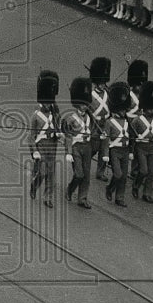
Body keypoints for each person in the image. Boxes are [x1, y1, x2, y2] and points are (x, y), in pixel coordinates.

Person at [29, 70, 62, 208]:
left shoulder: (55, 112)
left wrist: (59, 132)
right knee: (42, 172)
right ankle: (34, 185)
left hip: (52, 145)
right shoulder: (36, 115)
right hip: (41, 145)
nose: (49, 104)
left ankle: (48, 197)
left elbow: (59, 125)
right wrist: (34, 150)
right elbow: (31, 136)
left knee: (51, 173)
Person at [62, 77, 94, 209]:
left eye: (86, 104)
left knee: (86, 175)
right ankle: (70, 189)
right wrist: (68, 152)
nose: (85, 106)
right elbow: (67, 136)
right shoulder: (70, 118)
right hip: (76, 147)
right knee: (79, 174)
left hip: (87, 147)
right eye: (82, 104)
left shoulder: (90, 117)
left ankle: (82, 198)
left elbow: (94, 130)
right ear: (77, 104)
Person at [129, 80, 153, 203]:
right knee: (143, 170)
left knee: (150, 173)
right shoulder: (137, 120)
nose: (151, 111)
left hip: (152, 148)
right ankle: (136, 185)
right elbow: (132, 136)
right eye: (149, 108)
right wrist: (132, 149)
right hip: (141, 148)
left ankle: (147, 193)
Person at [103, 81, 132, 207]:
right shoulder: (110, 122)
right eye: (122, 109)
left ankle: (119, 197)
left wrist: (131, 151)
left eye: (124, 109)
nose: (124, 112)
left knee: (124, 176)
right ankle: (110, 188)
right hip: (114, 150)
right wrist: (105, 154)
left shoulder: (127, 121)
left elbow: (131, 137)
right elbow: (105, 139)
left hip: (125, 150)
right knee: (118, 174)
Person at [87, 57, 112, 182]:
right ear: (96, 83)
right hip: (95, 124)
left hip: (105, 123)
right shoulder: (91, 95)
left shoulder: (108, 93)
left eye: (104, 83)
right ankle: (85, 160)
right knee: (94, 147)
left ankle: (100, 172)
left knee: (104, 149)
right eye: (101, 83)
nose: (103, 85)